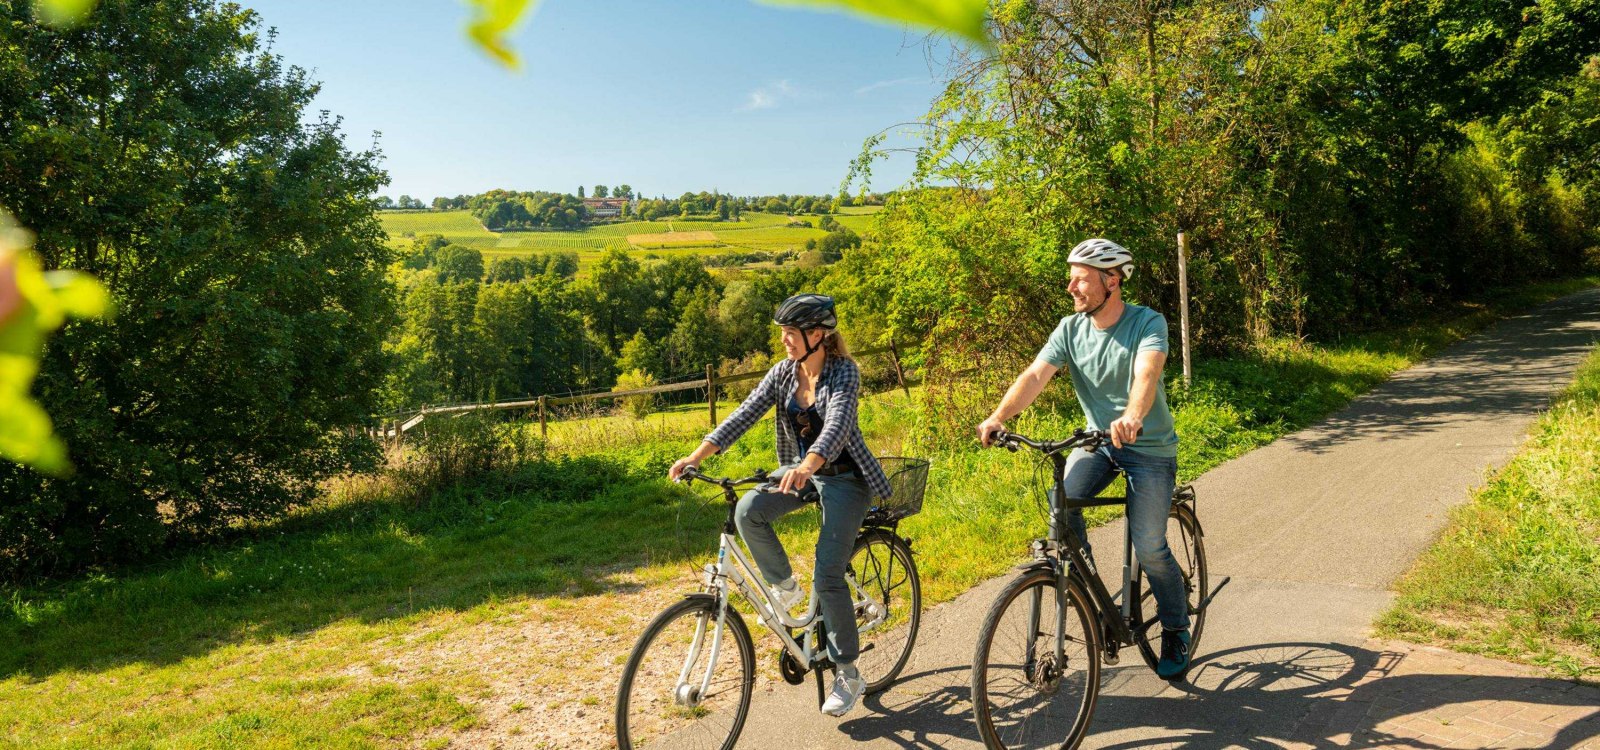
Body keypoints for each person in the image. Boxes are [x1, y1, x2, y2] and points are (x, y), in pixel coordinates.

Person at [976, 238, 1193, 679]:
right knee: (1060, 508)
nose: (1071, 287)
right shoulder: (1069, 329)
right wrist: (1000, 415)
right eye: (1071, 278)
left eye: (1080, 279)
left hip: (1148, 447)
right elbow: (1035, 375)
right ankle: (1087, 588)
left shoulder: (1147, 322)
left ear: (1111, 281)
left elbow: (1147, 372)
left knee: (1149, 545)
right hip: (1099, 443)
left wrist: (1133, 416)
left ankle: (1175, 626)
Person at [668, 293, 893, 715]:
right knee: (748, 511)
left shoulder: (844, 372)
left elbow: (838, 425)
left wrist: (808, 465)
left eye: (791, 332)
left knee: (828, 575)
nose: (784, 340)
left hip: (845, 478)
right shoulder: (783, 373)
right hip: (800, 473)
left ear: (818, 335)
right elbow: (743, 414)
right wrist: (696, 456)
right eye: (784, 333)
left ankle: (848, 671)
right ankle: (786, 588)